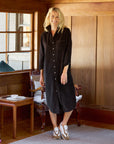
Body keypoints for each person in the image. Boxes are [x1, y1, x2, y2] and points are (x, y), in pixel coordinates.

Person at [39, 7, 76, 140]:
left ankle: (63, 124)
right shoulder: (44, 35)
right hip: (48, 73)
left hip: (63, 72)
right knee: (52, 101)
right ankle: (55, 128)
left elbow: (68, 52)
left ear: (60, 18)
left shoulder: (66, 32)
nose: (54, 19)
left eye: (57, 16)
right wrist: (42, 75)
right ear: (48, 18)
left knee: (70, 99)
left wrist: (65, 71)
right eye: (52, 16)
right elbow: (41, 56)